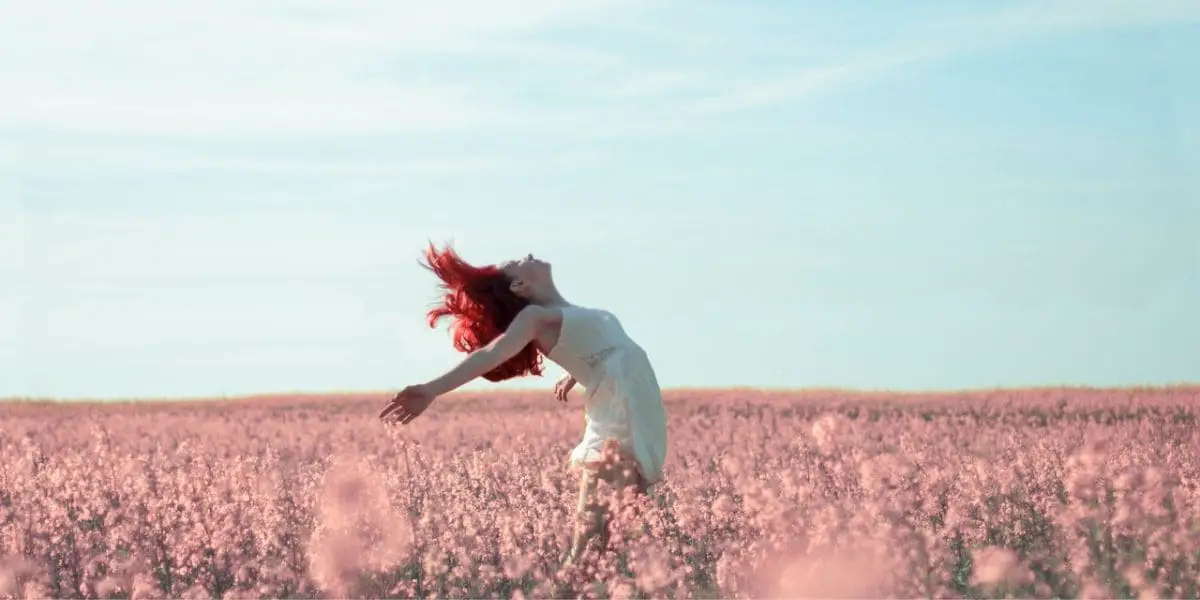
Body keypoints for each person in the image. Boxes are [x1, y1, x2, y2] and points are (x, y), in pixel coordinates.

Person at [379, 243, 669, 564]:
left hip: (643, 421)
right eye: (517, 262)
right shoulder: (536, 317)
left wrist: (576, 374)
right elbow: (494, 352)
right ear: (519, 286)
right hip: (618, 424)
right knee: (589, 554)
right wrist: (432, 389)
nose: (526, 254)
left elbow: (608, 352)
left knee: (615, 552)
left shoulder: (572, 314)